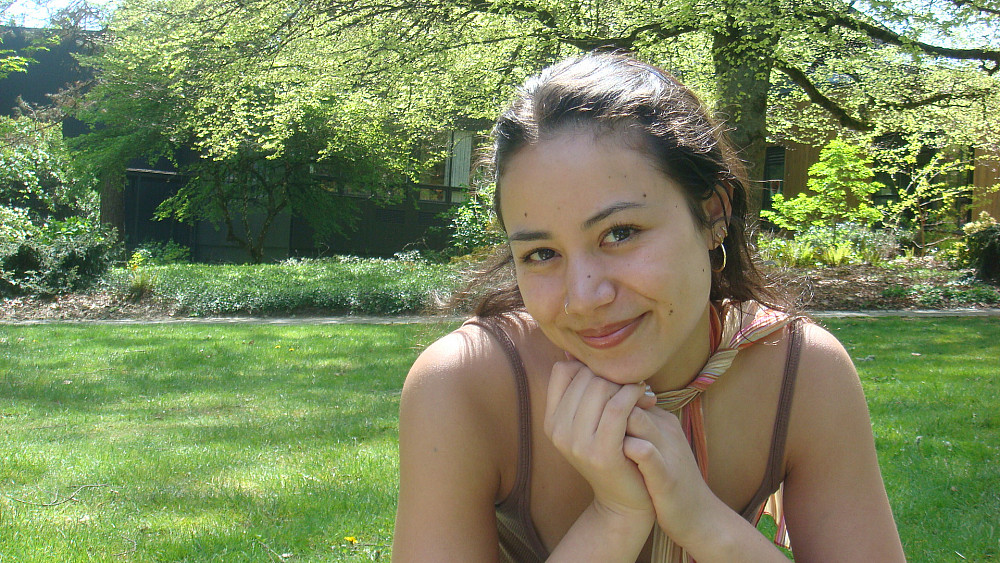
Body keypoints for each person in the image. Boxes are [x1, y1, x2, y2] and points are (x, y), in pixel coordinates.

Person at [392, 52, 906, 562]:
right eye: (542, 254)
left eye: (620, 233)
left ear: (714, 213)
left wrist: (702, 520)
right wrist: (614, 517)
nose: (583, 297)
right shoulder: (465, 385)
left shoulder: (800, 371)